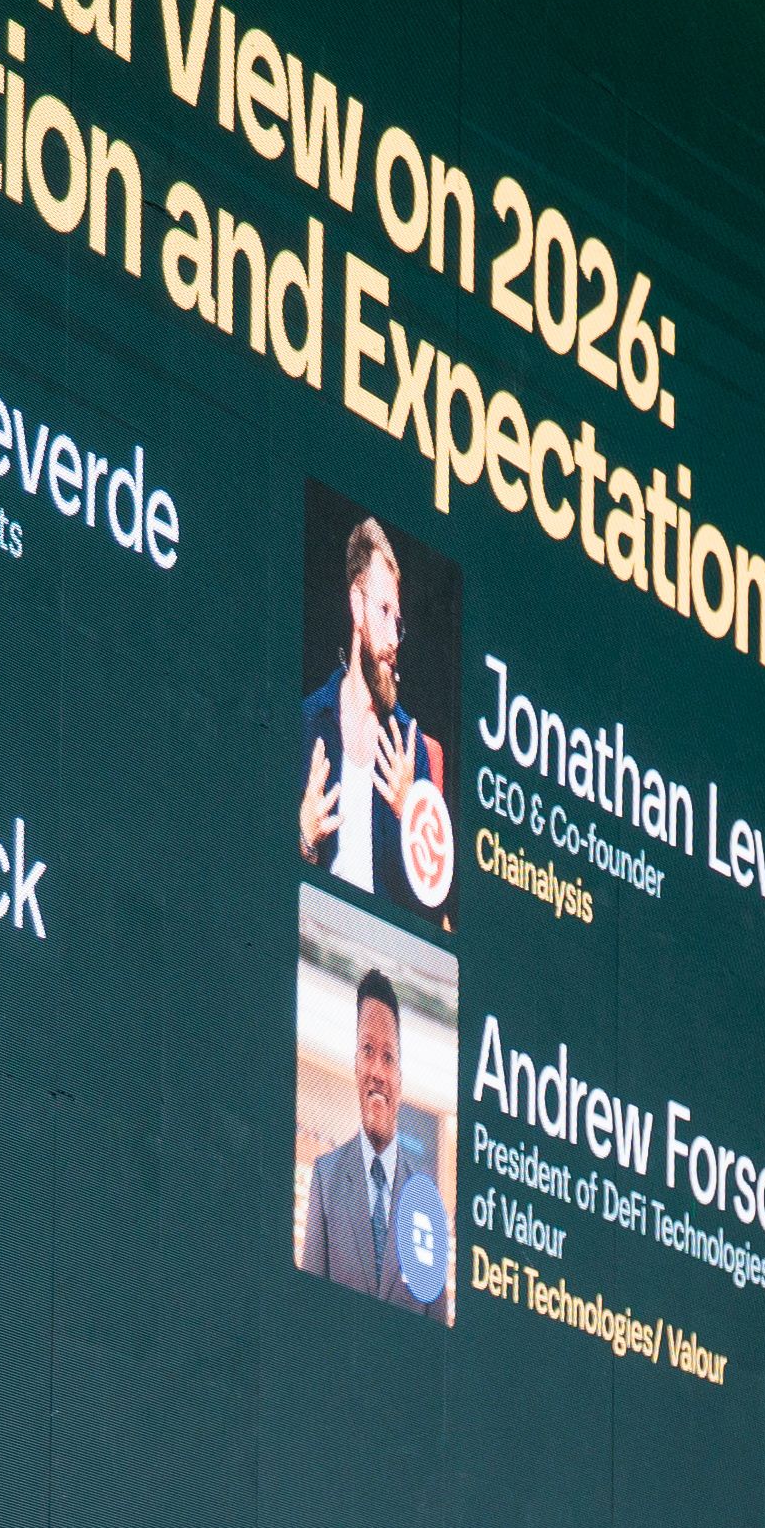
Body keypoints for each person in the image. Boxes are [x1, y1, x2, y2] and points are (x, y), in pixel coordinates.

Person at [295, 515, 446, 916]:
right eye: (382, 611)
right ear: (356, 606)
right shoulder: (306, 722)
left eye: (398, 622)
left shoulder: (410, 747)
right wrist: (303, 838)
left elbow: (431, 913)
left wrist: (409, 814)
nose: (394, 639)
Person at [300, 970, 446, 1308]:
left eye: (388, 1057)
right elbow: (308, 1306)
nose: (378, 1072)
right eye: (367, 1051)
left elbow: (438, 1328)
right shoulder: (325, 1178)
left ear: (400, 1077)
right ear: (355, 1065)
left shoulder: (427, 1201)